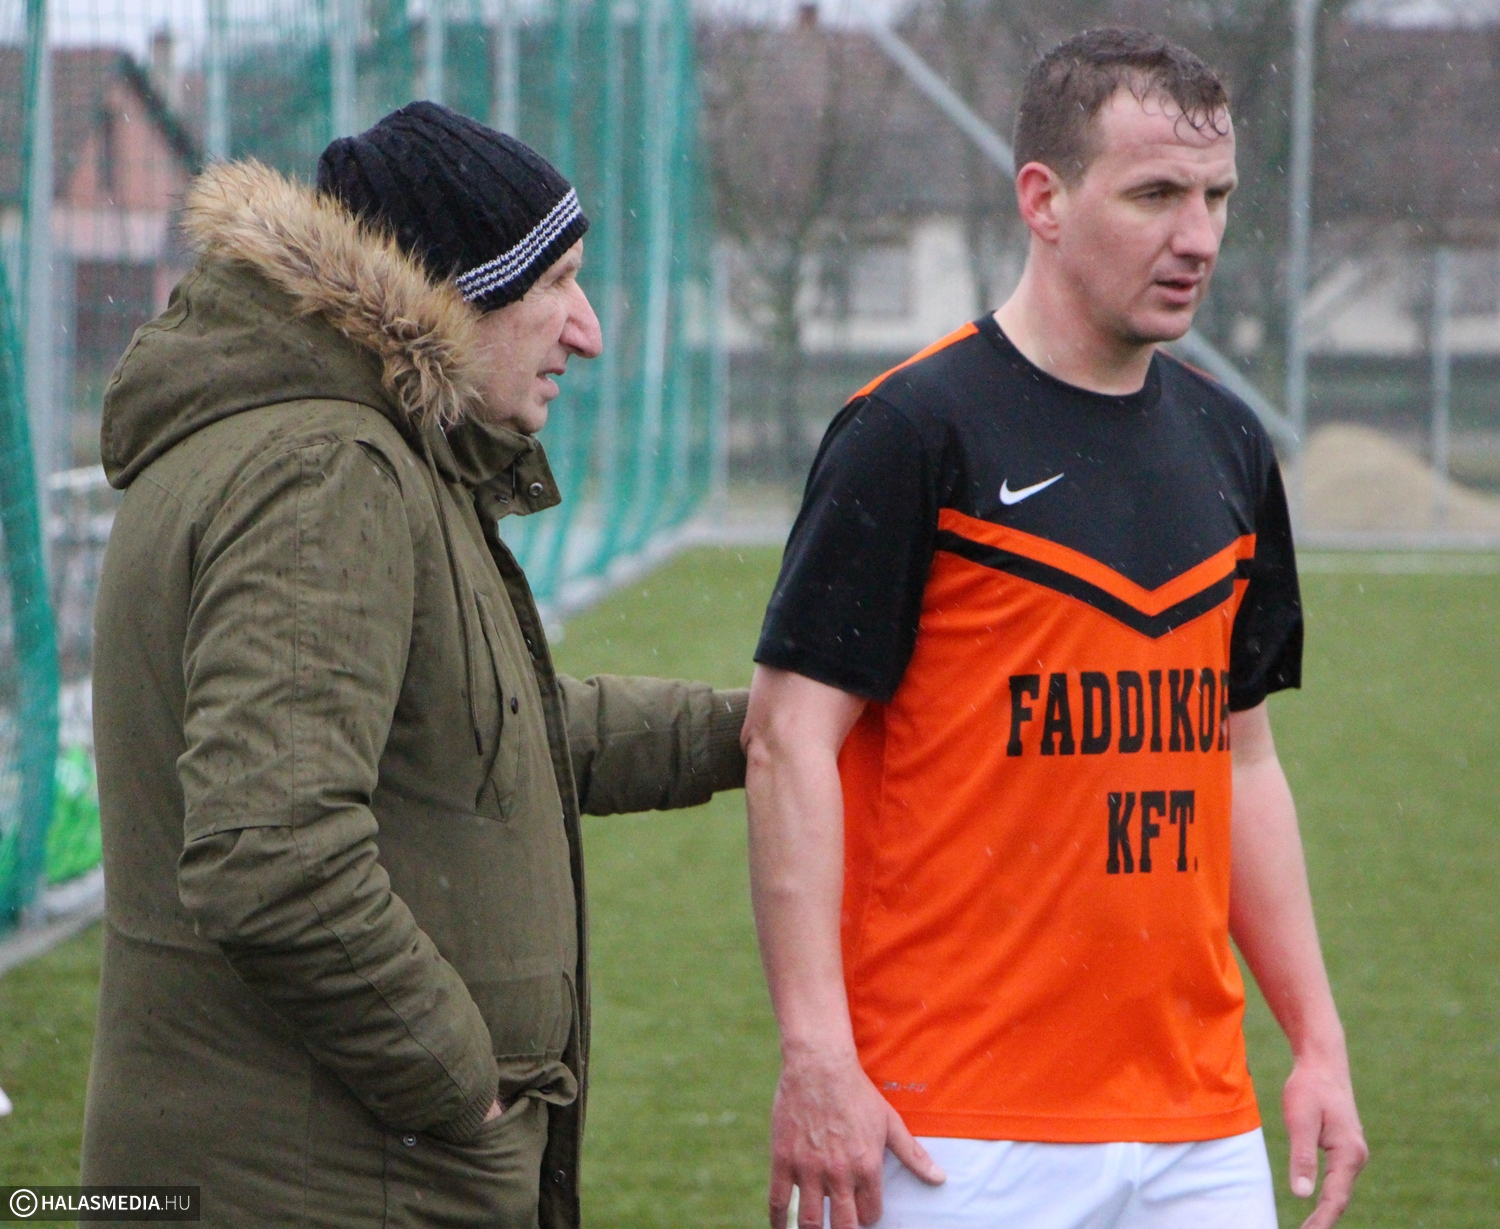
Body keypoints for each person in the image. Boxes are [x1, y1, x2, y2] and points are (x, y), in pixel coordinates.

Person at [80, 102, 748, 1228]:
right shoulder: (324, 470)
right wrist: (459, 1080)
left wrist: (746, 730)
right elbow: (274, 855)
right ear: (451, 293)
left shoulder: (345, 449)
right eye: (557, 283)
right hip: (328, 1184)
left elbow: (477, 734)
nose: (587, 330)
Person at [742, 28, 1367, 1229]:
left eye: (1217, 197)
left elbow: (1242, 759)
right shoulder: (910, 431)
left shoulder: (1232, 443)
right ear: (1043, 199)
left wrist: (1319, 1042)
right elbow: (786, 740)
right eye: (1155, 194)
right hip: (950, 1124)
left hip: (1198, 1128)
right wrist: (816, 1052)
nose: (1199, 236)